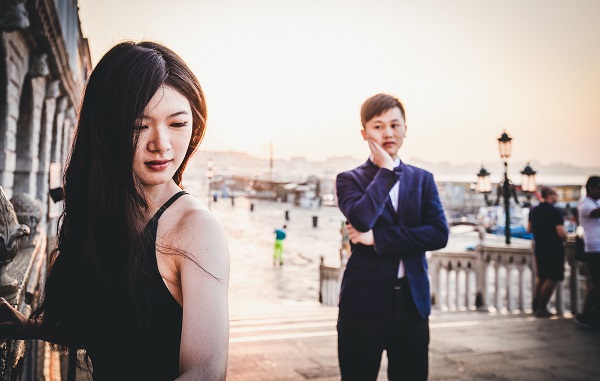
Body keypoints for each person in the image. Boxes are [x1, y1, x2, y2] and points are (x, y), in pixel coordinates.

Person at [0, 41, 230, 380]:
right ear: (106, 129)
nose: (161, 144)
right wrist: (28, 327)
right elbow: (107, 327)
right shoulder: (104, 214)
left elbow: (205, 371)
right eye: (139, 125)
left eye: (177, 124)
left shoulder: (196, 229)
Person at [334, 93, 449, 381]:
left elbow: (438, 234)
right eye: (378, 126)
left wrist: (378, 239)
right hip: (363, 305)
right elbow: (361, 218)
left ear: (405, 129)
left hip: (412, 304)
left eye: (395, 125)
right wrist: (386, 170)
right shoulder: (349, 179)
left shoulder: (423, 179)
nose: (388, 133)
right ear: (364, 133)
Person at [527, 186, 567, 317]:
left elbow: (529, 229)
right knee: (554, 277)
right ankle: (542, 307)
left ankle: (536, 304)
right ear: (550, 195)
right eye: (556, 194)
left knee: (542, 276)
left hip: (540, 247)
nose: (557, 197)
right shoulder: (555, 211)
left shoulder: (534, 210)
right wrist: (566, 238)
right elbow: (560, 232)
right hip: (554, 248)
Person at [574, 176, 600, 330]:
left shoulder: (595, 202)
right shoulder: (585, 205)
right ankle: (586, 314)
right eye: (598, 187)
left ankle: (593, 314)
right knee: (597, 284)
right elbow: (596, 214)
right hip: (594, 249)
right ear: (590, 188)